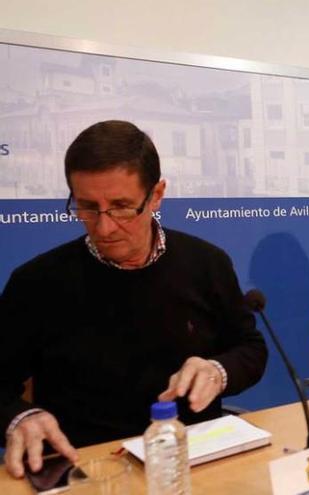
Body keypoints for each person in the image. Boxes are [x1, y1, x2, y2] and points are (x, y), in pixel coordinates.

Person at [0, 120, 268, 478]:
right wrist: (20, 416)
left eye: (122, 207)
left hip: (190, 460)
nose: (104, 228)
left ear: (156, 195)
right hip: (87, 468)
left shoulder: (206, 263)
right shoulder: (37, 282)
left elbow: (250, 349)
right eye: (87, 207)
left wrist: (219, 371)